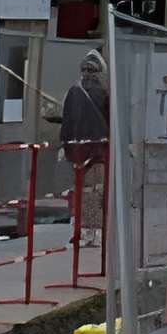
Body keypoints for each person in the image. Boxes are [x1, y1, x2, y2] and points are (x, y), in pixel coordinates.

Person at [58, 50, 113, 224]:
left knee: (81, 187)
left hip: (77, 150)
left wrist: (65, 145)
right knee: (98, 187)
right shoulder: (104, 93)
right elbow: (110, 120)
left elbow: (67, 121)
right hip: (100, 149)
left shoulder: (73, 91)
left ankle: (81, 224)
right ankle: (95, 224)